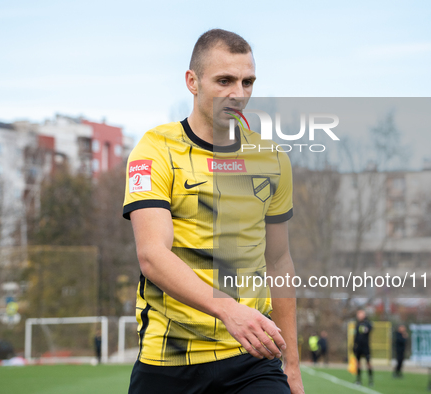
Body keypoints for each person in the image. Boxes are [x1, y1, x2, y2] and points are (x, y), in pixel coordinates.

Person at [122, 29, 303, 394]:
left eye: (247, 81)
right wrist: (227, 310)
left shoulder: (272, 160)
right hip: (168, 361)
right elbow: (152, 254)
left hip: (252, 360)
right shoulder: (155, 149)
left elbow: (279, 261)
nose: (239, 94)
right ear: (193, 82)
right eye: (225, 80)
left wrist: (293, 367)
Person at [353, 310, 373, 386]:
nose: (359, 316)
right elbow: (356, 336)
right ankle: (358, 380)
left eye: (361, 314)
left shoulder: (367, 323)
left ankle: (371, 380)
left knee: (368, 363)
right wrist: (354, 345)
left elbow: (369, 330)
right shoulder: (357, 324)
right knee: (358, 363)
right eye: (358, 315)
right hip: (359, 347)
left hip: (366, 346)